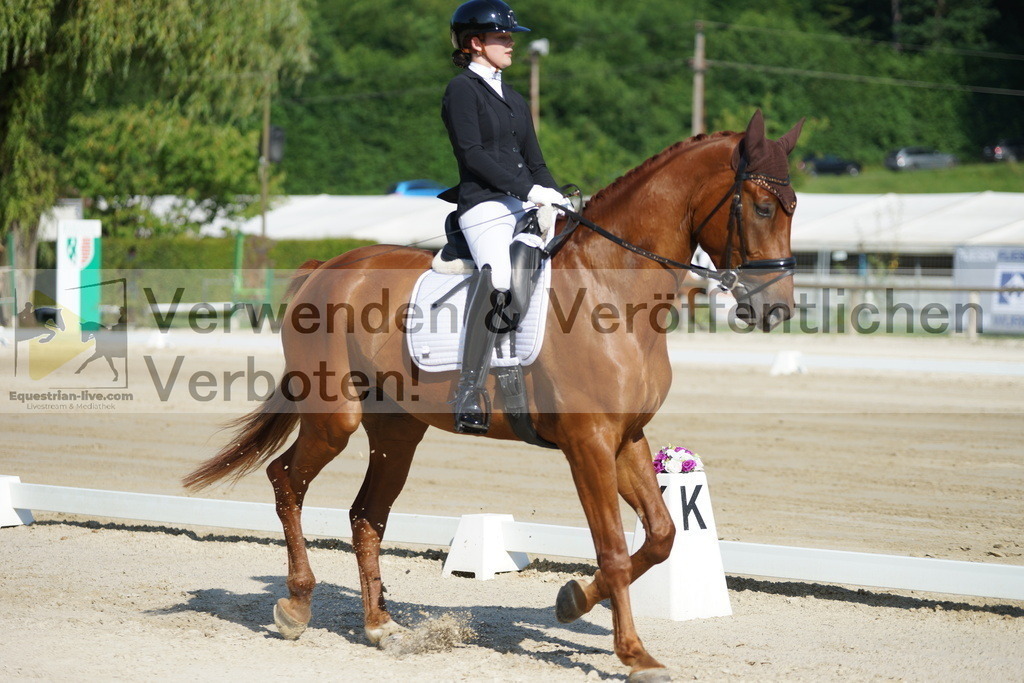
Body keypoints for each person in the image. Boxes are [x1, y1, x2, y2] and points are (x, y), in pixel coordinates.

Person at [441, 0, 565, 434]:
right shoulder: (462, 90)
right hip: (484, 205)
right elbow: (471, 154)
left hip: (522, 203)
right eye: (502, 37)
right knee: (498, 278)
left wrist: (552, 194)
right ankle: (468, 390)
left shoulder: (513, 97)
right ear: (476, 43)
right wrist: (527, 191)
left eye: (510, 37)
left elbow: (536, 160)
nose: (510, 43)